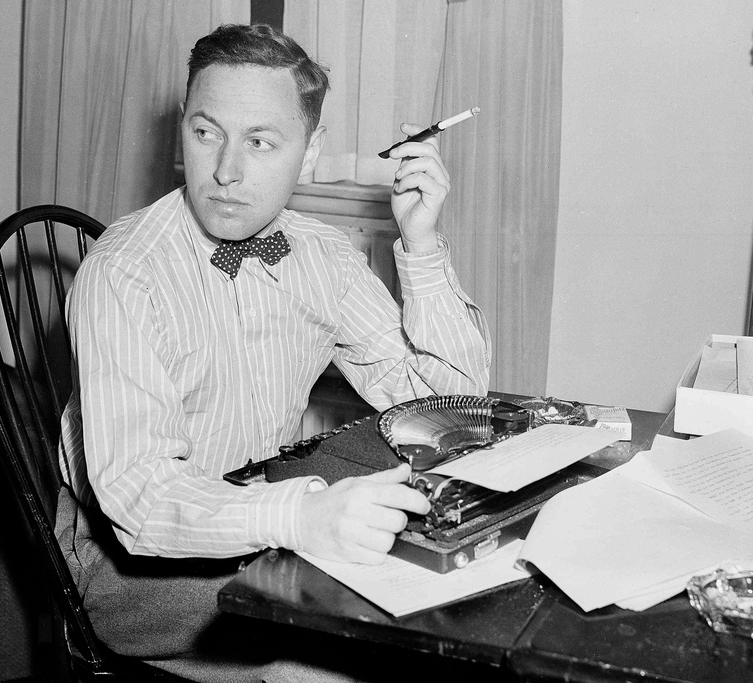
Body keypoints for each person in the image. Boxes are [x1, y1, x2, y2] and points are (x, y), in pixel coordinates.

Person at [55, 22, 491, 682]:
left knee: (450, 594)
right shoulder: (123, 271)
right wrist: (301, 516)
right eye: (206, 133)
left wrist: (422, 245)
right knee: (350, 646)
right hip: (125, 563)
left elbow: (447, 412)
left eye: (260, 142)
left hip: (256, 506)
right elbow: (138, 498)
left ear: (311, 151)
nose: (225, 171)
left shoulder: (322, 258)